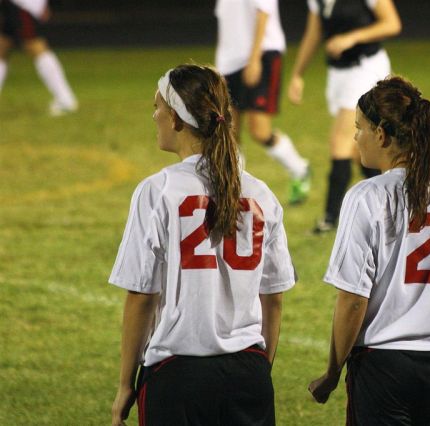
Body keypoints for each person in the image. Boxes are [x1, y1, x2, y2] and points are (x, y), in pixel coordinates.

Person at [109, 64, 296, 426]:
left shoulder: (158, 190)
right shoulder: (261, 193)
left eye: (158, 106)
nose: (154, 115)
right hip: (248, 372)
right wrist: (261, 368)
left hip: (178, 375)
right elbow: (273, 298)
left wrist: (124, 385)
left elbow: (142, 296)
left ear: (177, 119)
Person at [308, 76, 430, 425]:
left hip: (383, 367)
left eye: (359, 128)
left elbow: (353, 300)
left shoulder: (366, 196)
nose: (355, 138)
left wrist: (332, 373)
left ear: (381, 135)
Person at [287, 0, 401, 232]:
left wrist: (352, 37)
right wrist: (297, 74)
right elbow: (314, 33)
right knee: (358, 151)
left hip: (366, 69)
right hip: (338, 75)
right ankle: (394, 206)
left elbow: (392, 23)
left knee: (340, 141)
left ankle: (329, 219)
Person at [215, 0, 311, 205]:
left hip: (261, 55)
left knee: (259, 131)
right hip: (230, 63)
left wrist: (254, 58)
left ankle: (299, 169)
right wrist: (221, 65)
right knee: (228, 131)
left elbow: (263, 12)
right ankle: (234, 192)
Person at [0, 0, 77, 115]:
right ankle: (65, 99)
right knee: (3, 46)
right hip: (19, 4)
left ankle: (65, 99)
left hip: (23, 4)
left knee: (34, 44)